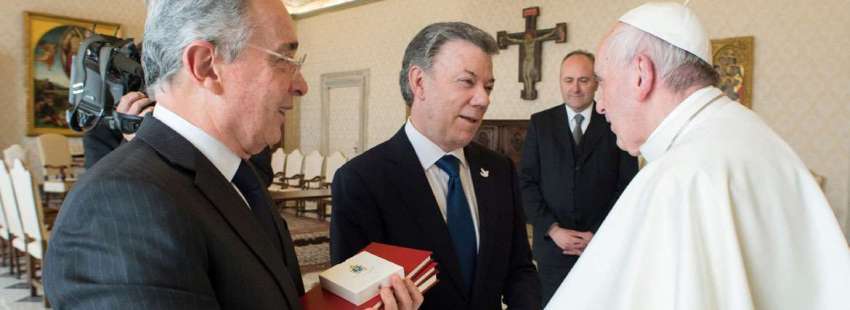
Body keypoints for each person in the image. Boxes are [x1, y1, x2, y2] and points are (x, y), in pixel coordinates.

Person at [44, 0, 422, 309]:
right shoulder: (118, 208)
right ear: (206, 66)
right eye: (283, 60)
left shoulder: (240, 178)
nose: (301, 85)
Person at [546, 2, 850, 309]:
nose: (599, 104)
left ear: (641, 74)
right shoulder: (755, 133)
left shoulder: (680, 177)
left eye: (602, 82)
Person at [330, 22, 541, 310]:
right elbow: (354, 300)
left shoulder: (499, 170)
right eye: (467, 81)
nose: (483, 99)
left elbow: (520, 270)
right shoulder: (361, 180)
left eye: (488, 86)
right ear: (419, 82)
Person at [519, 50, 637, 306]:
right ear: (560, 82)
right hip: (552, 248)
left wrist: (597, 233)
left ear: (596, 82)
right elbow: (526, 183)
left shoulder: (616, 122)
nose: (575, 88)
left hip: (602, 246)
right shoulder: (540, 123)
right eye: (568, 80)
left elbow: (628, 186)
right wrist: (553, 229)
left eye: (583, 80)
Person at [82, 91, 275, 186]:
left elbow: (261, 177)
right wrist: (141, 142)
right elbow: (105, 192)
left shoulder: (222, 109)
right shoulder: (102, 127)